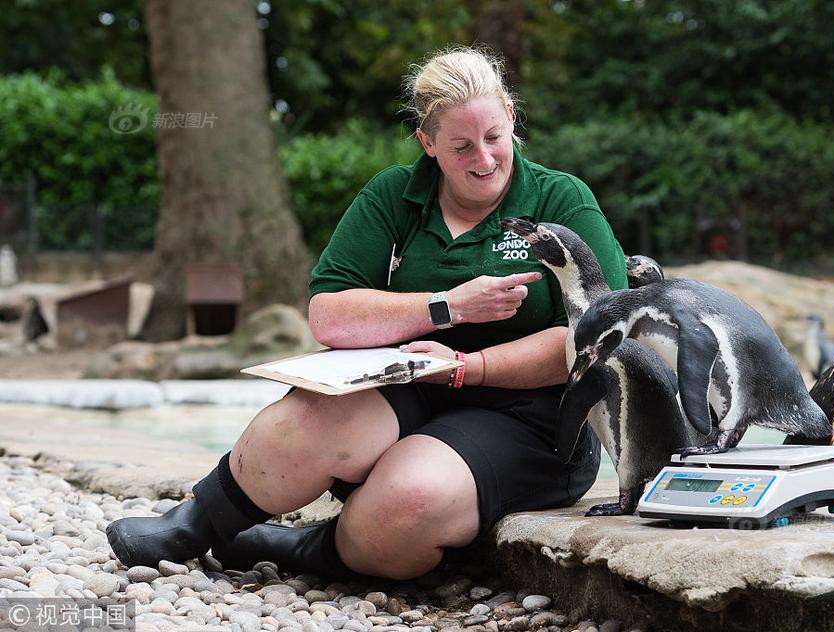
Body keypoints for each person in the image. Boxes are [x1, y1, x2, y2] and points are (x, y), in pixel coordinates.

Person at [106, 46, 628, 581]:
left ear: (512, 119)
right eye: (461, 146)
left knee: (410, 499)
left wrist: (471, 367)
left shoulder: (562, 199)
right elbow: (330, 315)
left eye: (494, 137)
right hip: (409, 386)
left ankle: (309, 549)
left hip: (532, 417)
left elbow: (600, 330)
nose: (485, 159)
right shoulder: (392, 195)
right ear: (427, 143)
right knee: (301, 420)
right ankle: (197, 523)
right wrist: (446, 307)